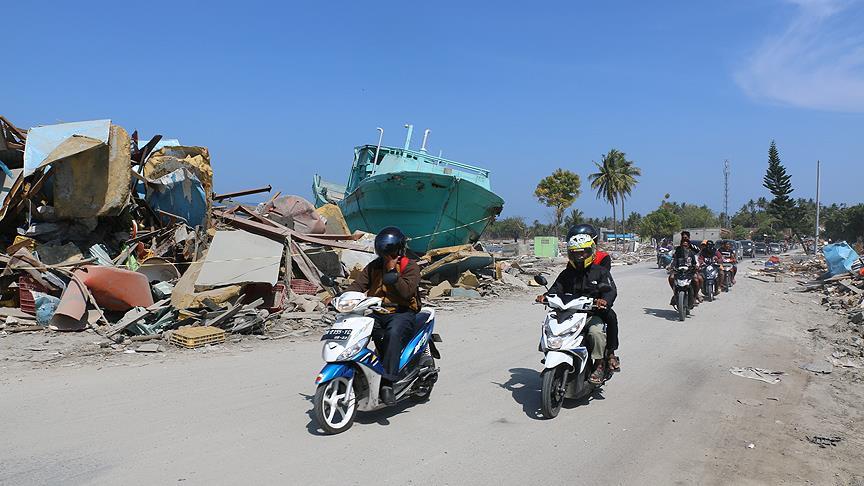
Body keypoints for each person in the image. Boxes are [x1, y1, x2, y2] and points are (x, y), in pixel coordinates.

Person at [344, 226, 421, 405]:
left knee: (393, 334)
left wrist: (394, 273)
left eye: (390, 253)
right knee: (356, 329)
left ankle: (387, 382)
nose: (386, 257)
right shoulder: (373, 267)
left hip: (402, 312)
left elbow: (407, 293)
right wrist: (340, 298)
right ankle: (357, 368)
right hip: (377, 312)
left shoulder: (410, 266)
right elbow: (357, 286)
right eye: (384, 254)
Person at [535, 232, 617, 385]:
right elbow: (555, 289)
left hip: (591, 314)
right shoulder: (567, 273)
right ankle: (551, 356)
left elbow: (611, 290)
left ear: (591, 252)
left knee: (596, 333)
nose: (579, 257)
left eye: (583, 253)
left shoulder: (600, 272)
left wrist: (603, 301)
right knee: (550, 328)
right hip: (569, 313)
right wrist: (545, 297)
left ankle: (599, 364)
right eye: (575, 253)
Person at [567, 224, 621, 373]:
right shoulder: (573, 260)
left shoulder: (602, 258)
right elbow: (566, 281)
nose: (579, 255)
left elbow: (604, 279)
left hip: (596, 300)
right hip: (577, 304)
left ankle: (609, 353)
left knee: (610, 316)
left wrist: (602, 299)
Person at [668, 238, 699, 307]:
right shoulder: (677, 253)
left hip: (689, 272)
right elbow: (674, 261)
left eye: (686, 245)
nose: (684, 247)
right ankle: (675, 294)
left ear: (688, 246)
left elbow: (694, 263)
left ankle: (695, 297)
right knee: (671, 277)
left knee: (696, 280)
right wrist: (671, 267)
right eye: (683, 245)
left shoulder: (691, 253)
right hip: (679, 272)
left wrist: (696, 267)